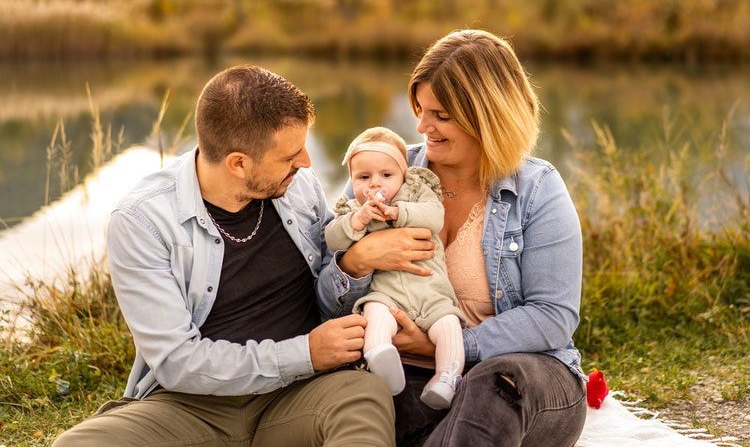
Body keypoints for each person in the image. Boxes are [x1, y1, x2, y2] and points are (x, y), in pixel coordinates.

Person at [53, 65, 397, 446]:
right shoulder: (142, 220)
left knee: (363, 397)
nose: (306, 163)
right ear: (238, 163)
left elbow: (330, 297)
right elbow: (176, 362)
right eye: (290, 155)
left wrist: (354, 265)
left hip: (301, 394)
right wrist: (305, 353)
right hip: (191, 407)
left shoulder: (298, 188)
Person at [338, 29, 588, 446]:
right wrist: (356, 261)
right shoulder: (381, 174)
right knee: (364, 404)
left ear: (487, 115)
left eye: (440, 115)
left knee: (490, 387)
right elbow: (325, 299)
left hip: (523, 377)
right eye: (420, 109)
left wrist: (457, 346)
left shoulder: (537, 188)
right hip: (410, 373)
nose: (421, 126)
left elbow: (553, 316)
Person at [325, 127, 465, 409]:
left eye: (386, 175)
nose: (375, 185)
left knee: (449, 326)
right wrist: (358, 220)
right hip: (385, 294)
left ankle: (446, 379)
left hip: (431, 293)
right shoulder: (353, 209)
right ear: (353, 180)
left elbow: (435, 217)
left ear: (404, 175)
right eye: (364, 178)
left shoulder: (417, 192)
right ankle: (381, 360)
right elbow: (332, 239)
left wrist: (399, 213)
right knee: (375, 318)